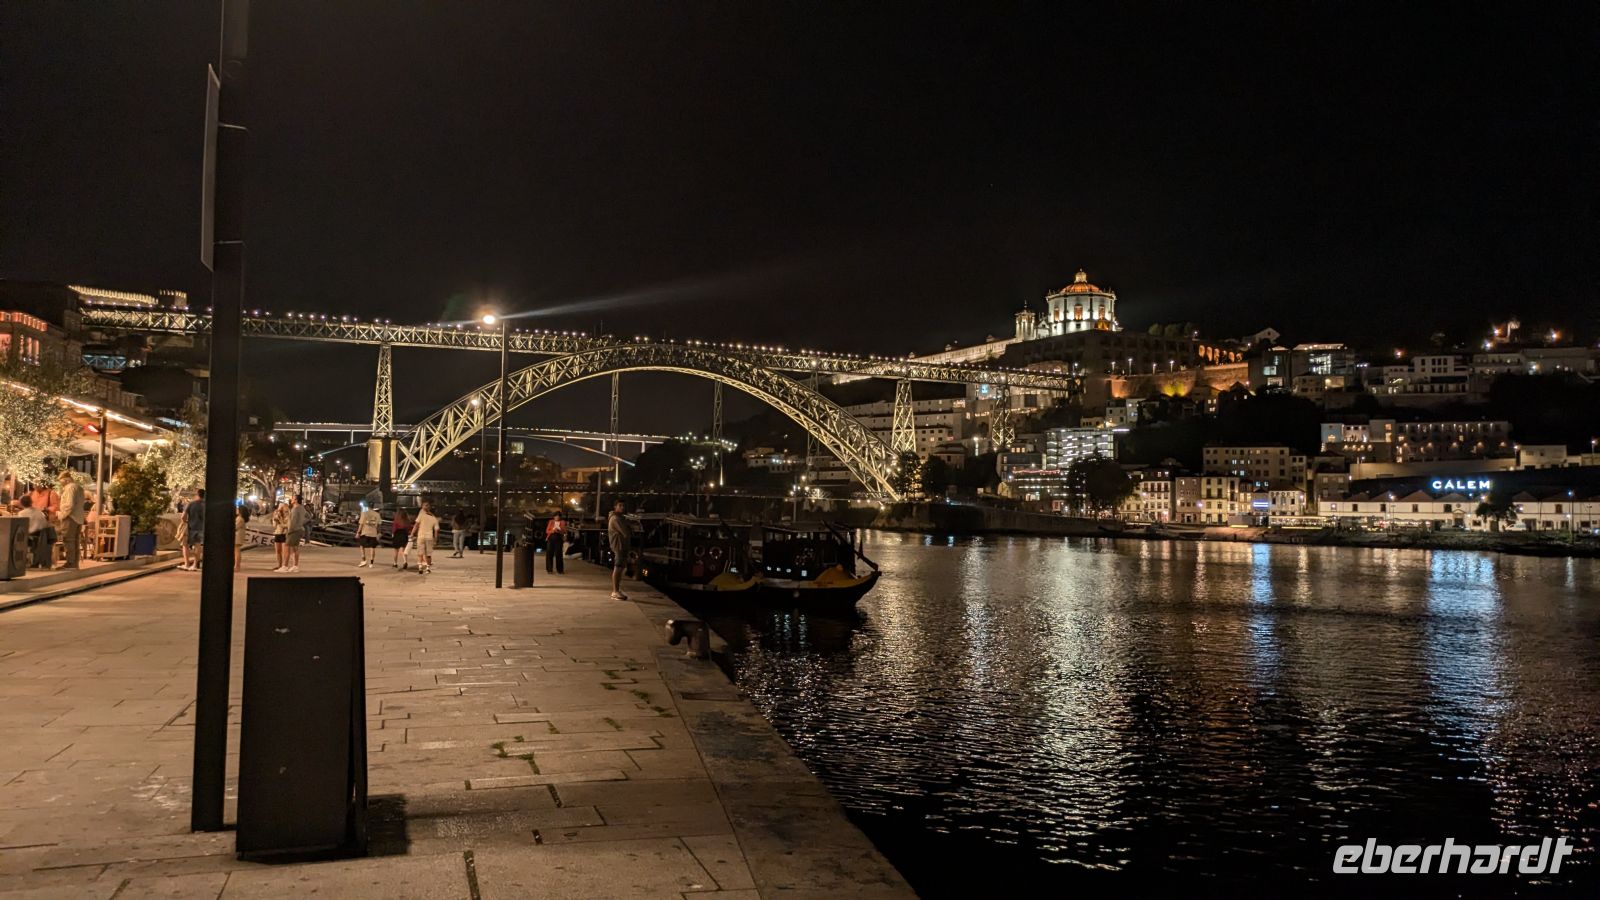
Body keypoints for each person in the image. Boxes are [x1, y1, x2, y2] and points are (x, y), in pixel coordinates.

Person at [57, 471, 85, 569]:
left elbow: (69, 504)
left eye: (60, 480)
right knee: (75, 541)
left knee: (68, 540)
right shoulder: (79, 487)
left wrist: (62, 515)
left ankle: (70, 563)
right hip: (78, 517)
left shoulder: (70, 488)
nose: (60, 482)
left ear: (66, 479)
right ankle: (74, 563)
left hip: (70, 517)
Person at [607, 501, 631, 600]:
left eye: (623, 506)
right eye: (620, 505)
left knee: (621, 568)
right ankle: (615, 591)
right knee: (618, 567)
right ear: (615, 507)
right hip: (619, 545)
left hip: (622, 545)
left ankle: (617, 589)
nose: (622, 507)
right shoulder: (616, 518)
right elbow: (626, 532)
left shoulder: (620, 518)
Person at [18, 494, 49, 568]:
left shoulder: (22, 513)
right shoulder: (39, 512)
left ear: (21, 503)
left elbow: (21, 527)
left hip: (28, 537)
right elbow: (44, 524)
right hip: (40, 535)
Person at [179, 489, 206, 571]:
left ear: (197, 494)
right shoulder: (206, 505)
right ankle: (195, 565)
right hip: (201, 528)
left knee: (185, 545)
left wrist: (185, 522)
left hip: (191, 527)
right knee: (198, 546)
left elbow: (183, 517)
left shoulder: (191, 504)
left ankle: (187, 564)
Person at [284, 494, 309, 573]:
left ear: (296, 500)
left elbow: (292, 522)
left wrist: (289, 530)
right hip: (298, 529)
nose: (291, 500)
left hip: (293, 530)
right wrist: (301, 523)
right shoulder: (302, 508)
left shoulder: (295, 509)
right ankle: (295, 565)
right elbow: (309, 516)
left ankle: (285, 566)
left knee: (287, 548)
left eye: (293, 499)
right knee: (295, 548)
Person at [413, 501, 440, 574]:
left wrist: (412, 534)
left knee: (420, 553)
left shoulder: (421, 515)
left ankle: (420, 567)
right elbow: (436, 530)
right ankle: (428, 568)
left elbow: (416, 525)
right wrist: (436, 539)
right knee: (428, 554)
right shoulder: (434, 518)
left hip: (421, 536)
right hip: (429, 537)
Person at [356, 503, 382, 567]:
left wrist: (358, 532)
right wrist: (379, 532)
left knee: (362, 546)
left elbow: (361, 523)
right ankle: (371, 563)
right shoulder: (377, 514)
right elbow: (379, 525)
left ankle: (363, 560)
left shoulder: (364, 512)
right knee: (372, 548)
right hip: (373, 533)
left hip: (365, 532)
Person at [544, 510, 567, 575]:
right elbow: (547, 531)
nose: (557, 517)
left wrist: (559, 530)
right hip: (551, 538)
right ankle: (549, 569)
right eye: (556, 516)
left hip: (559, 539)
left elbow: (564, 531)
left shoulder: (562, 522)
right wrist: (553, 530)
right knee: (549, 553)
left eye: (558, 516)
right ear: (554, 516)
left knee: (558, 554)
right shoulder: (551, 521)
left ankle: (560, 570)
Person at [270, 502, 290, 571]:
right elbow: (274, 525)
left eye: (281, 507)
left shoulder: (287, 515)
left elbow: (287, 525)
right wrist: (274, 519)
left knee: (285, 551)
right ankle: (279, 565)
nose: (280, 509)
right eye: (279, 507)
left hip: (284, 534)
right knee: (278, 551)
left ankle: (284, 565)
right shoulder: (277, 514)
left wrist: (280, 521)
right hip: (277, 533)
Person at [233, 504, 250, 569]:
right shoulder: (240, 518)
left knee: (237, 551)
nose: (236, 510)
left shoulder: (239, 518)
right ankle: (237, 565)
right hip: (238, 536)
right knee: (236, 551)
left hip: (237, 536)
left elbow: (235, 527)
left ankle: (237, 566)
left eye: (237, 509)